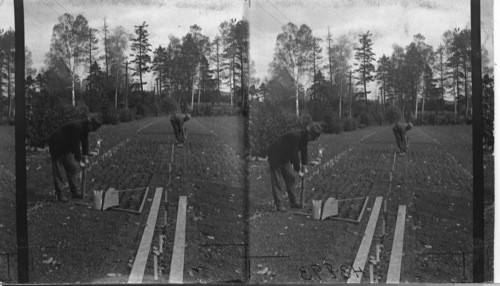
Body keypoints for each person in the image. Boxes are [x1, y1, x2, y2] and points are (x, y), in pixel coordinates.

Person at [267, 123, 322, 212]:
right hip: (275, 155)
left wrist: (304, 166)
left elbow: (304, 152)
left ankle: (293, 202)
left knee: (291, 177)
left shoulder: (304, 138)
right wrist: (298, 170)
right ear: (309, 134)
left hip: (285, 156)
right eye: (314, 138)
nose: (313, 140)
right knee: (277, 181)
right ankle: (279, 205)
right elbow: (294, 155)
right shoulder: (295, 136)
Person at [48, 114, 103, 202]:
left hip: (66, 146)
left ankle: (74, 192)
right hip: (56, 145)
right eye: (94, 128)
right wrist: (80, 160)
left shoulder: (86, 129)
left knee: (72, 168)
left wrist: (86, 154)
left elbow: (85, 142)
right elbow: (75, 146)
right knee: (58, 171)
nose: (93, 131)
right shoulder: (76, 127)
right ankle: (60, 195)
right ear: (90, 124)